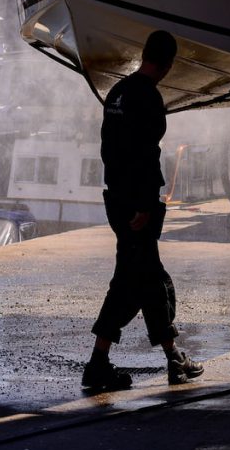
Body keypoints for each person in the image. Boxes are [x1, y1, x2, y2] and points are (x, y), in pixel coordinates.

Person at [82, 30, 204, 391]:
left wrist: (126, 199)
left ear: (143, 54)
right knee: (139, 283)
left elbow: (110, 151)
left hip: (118, 200)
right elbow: (145, 155)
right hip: (137, 206)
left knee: (144, 280)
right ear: (168, 64)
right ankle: (100, 363)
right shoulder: (149, 98)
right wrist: (144, 205)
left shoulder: (117, 93)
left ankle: (170, 357)